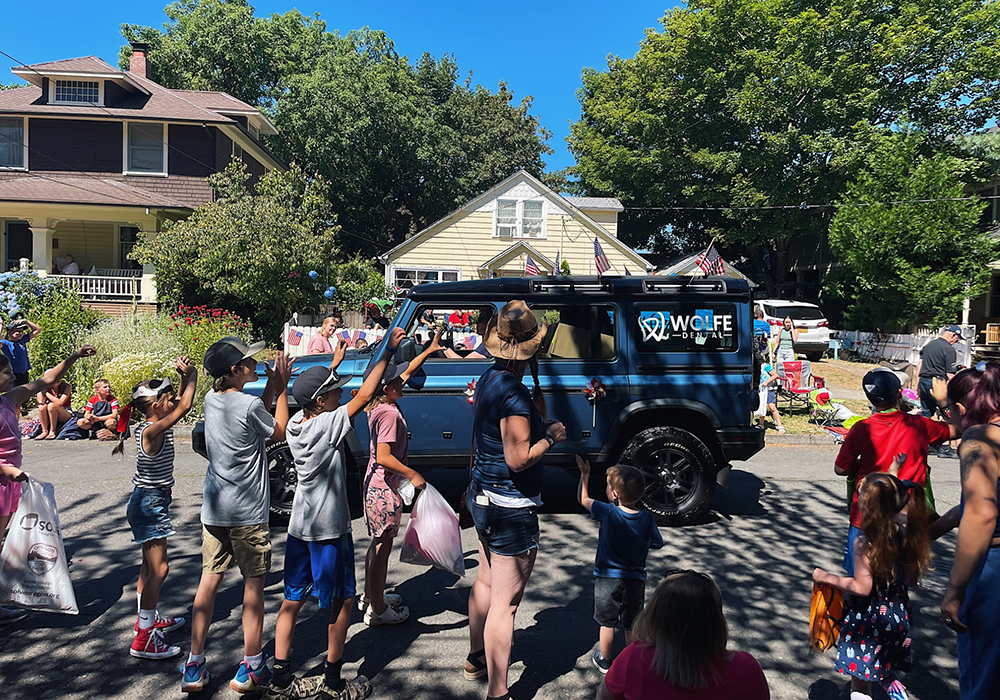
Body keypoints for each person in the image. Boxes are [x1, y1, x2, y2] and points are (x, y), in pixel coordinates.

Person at [269, 328, 405, 698]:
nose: (340, 393)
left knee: (292, 598)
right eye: (334, 390)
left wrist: (283, 385)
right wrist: (387, 353)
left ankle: (281, 679)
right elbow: (363, 395)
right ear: (322, 400)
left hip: (300, 529)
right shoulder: (329, 425)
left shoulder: (297, 425)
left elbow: (293, 407)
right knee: (343, 601)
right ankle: (332, 682)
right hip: (330, 530)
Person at [464, 300, 567, 699]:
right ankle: (499, 691)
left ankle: (475, 659)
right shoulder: (515, 395)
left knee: (486, 582)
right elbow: (519, 459)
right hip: (511, 506)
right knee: (504, 606)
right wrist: (550, 437)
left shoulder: (490, 378)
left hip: (483, 495)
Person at [180, 338, 292, 694]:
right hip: (247, 512)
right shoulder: (247, 405)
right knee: (253, 588)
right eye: (248, 361)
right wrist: (282, 390)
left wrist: (269, 391)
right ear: (235, 371)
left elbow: (250, 415)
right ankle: (253, 664)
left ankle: (194, 664)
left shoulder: (214, 400)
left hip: (214, 510)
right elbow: (279, 430)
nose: (255, 364)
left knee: (208, 582)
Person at [813, 472, 932, 700]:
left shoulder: (864, 542)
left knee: (861, 682)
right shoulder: (906, 532)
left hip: (868, 622)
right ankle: (900, 697)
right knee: (886, 672)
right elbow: (890, 493)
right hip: (897, 617)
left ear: (866, 506)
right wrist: (895, 472)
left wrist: (825, 577)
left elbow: (862, 587)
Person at [0, 344, 96, 625]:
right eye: (6, 372)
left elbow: (46, 380)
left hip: (10, 484)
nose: (13, 375)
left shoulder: (9, 399)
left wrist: (73, 357)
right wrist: (5, 468)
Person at [834, 370, 960, 575]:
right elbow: (958, 429)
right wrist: (944, 401)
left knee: (861, 576)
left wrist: (862, 469)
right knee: (899, 577)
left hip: (867, 513)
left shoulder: (861, 428)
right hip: (906, 514)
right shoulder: (919, 425)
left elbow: (841, 468)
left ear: (870, 398)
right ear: (900, 394)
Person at [361, 329, 443, 625]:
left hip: (375, 486)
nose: (401, 380)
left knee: (376, 543)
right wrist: (413, 474)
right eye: (394, 380)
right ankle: (378, 610)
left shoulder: (380, 405)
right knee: (382, 549)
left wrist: (430, 350)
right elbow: (384, 456)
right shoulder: (390, 415)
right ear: (386, 388)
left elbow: (407, 371)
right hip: (385, 489)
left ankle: (372, 595)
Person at [597, 570, 769, 700]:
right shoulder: (747, 670)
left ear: (656, 616)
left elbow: (603, 696)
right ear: (716, 621)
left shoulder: (634, 659)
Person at [125, 358, 198, 660]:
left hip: (151, 500)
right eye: (168, 398)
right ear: (156, 406)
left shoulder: (157, 421)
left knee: (147, 567)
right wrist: (193, 374)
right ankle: (143, 639)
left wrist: (182, 379)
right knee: (160, 569)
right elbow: (184, 407)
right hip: (149, 502)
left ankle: (146, 620)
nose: (174, 401)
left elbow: (181, 404)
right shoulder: (151, 431)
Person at [940, 361, 1000, 700]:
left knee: (984, 677)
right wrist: (939, 525)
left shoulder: (979, 439)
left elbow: (981, 513)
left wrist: (955, 590)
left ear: (962, 408)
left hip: (994, 568)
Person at [575, 455, 663, 673]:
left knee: (607, 623)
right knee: (631, 622)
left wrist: (585, 475)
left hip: (608, 578)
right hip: (635, 579)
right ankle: (633, 660)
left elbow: (583, 500)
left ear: (614, 494)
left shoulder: (608, 512)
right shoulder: (647, 518)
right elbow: (657, 543)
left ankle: (605, 659)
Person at [917, 325, 965, 457]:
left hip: (924, 381)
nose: (956, 341)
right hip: (938, 383)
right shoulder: (948, 350)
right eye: (958, 338)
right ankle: (945, 447)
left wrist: (917, 385)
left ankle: (923, 444)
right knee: (947, 414)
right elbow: (950, 374)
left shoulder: (929, 345)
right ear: (953, 335)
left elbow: (920, 365)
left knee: (926, 413)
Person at [1, 319, 41, 387]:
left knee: (24, 395)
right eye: (18, 331)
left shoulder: (22, 340)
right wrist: (1, 327)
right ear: (9, 332)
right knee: (13, 395)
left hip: (24, 374)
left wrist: (26, 321)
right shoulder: (5, 343)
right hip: (13, 375)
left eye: (22, 331)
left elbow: (37, 330)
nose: (21, 333)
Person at [757, 361, 785, 435]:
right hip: (759, 389)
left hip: (768, 389)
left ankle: (780, 425)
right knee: (761, 407)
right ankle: (761, 424)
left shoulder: (766, 366)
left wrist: (767, 381)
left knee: (772, 407)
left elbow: (775, 375)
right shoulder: (754, 366)